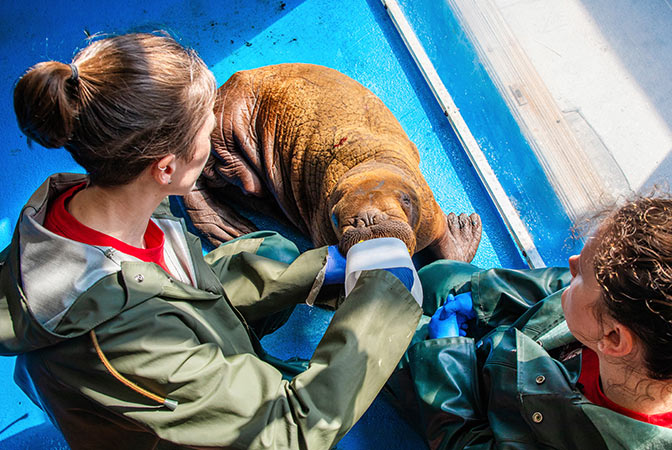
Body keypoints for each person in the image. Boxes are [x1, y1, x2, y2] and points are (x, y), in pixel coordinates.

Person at [0, 32, 424, 449]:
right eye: (207, 130)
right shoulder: (129, 344)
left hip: (160, 346)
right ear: (166, 168)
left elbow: (167, 285)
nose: (213, 135)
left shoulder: (99, 201)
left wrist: (314, 271)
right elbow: (284, 433)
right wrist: (385, 302)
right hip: (171, 416)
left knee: (272, 252)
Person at [387, 196, 672, 449]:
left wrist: (446, 356)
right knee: (438, 277)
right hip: (520, 348)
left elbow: (466, 441)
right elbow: (558, 286)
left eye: (583, 272)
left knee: (390, 329)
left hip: (479, 404)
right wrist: (483, 296)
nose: (572, 261)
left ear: (611, 336)